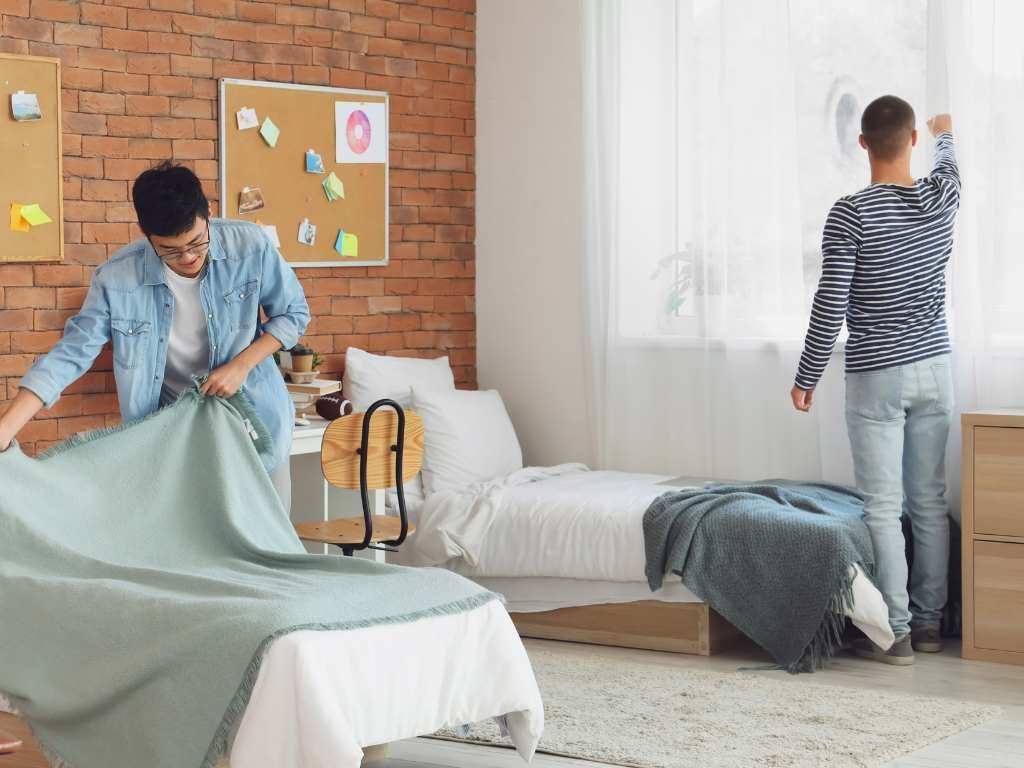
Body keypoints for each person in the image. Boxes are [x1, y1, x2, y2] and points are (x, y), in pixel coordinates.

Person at [0, 162, 310, 511]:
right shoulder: (117, 279)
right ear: (146, 235)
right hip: (173, 440)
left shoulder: (249, 247)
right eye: (171, 250)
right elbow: (71, 354)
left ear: (207, 213)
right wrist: (7, 427)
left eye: (197, 242)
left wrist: (241, 365)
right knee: (192, 549)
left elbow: (293, 313)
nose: (189, 257)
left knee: (273, 545)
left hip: (256, 426)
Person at [791, 97, 959, 665]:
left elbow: (830, 302)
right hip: (935, 367)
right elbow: (951, 171)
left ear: (863, 144)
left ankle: (900, 633)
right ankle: (933, 624)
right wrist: (946, 134)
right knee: (930, 503)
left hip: (877, 373)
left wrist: (807, 374)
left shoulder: (850, 213)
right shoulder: (941, 199)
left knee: (884, 509)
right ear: (910, 139)